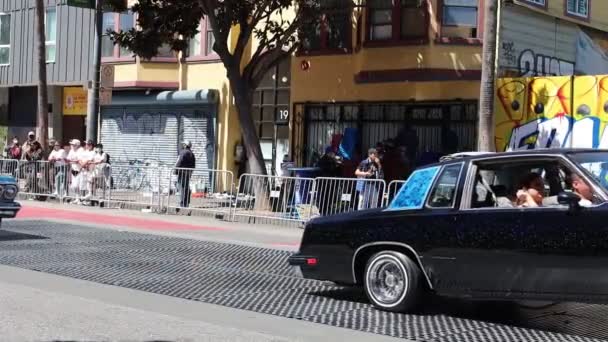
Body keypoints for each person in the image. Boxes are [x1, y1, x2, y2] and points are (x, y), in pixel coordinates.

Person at [175, 140, 196, 208]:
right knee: (186, 187)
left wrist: (175, 170)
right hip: (188, 173)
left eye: (184, 144)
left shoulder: (183, 152)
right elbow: (193, 165)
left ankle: (182, 203)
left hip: (182, 172)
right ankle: (186, 203)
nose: (183, 145)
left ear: (185, 145)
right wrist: (190, 172)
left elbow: (179, 161)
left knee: (181, 187)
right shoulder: (191, 153)